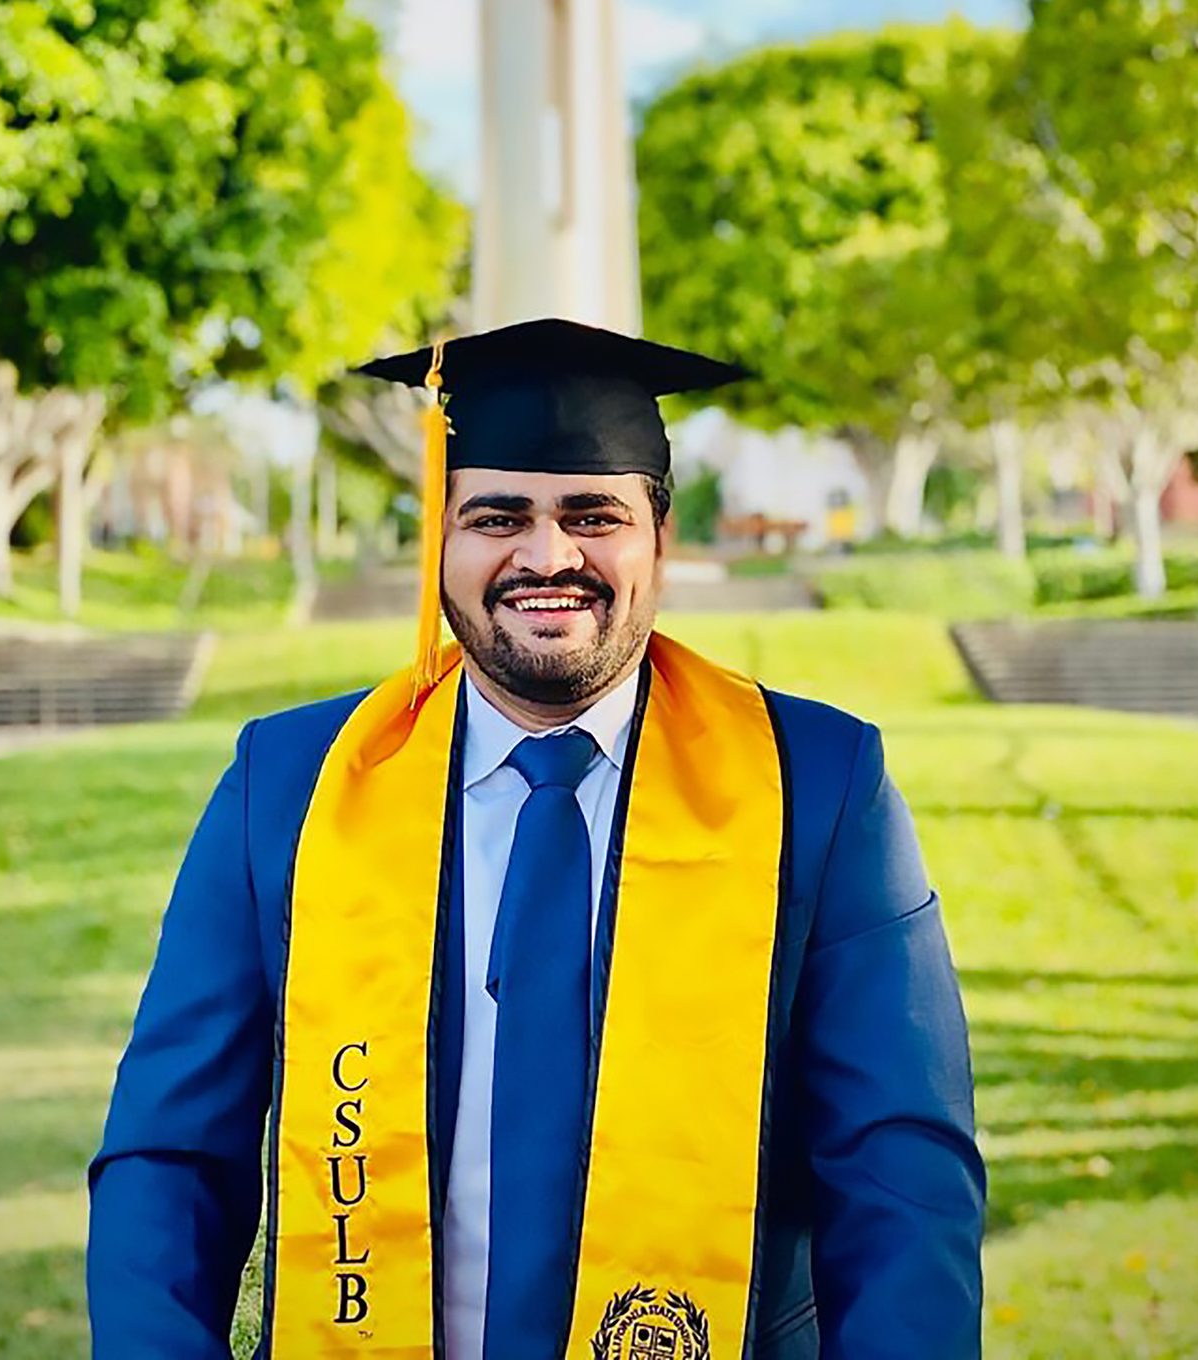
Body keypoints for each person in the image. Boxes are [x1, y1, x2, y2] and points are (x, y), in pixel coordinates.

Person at [88, 318, 984, 1359]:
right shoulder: (291, 789)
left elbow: (902, 1179)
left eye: (592, 515)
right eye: (497, 516)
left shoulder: (817, 788)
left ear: (661, 536)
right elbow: (167, 1158)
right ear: (443, 538)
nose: (547, 555)